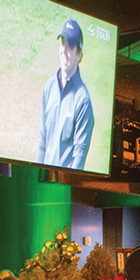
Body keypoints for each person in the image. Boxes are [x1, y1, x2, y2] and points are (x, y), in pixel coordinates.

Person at [37, 19, 94, 171]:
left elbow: (79, 157)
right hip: (42, 181)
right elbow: (43, 139)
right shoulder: (49, 86)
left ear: (79, 54)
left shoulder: (83, 100)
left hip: (63, 187)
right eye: (62, 43)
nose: (64, 50)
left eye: (70, 46)